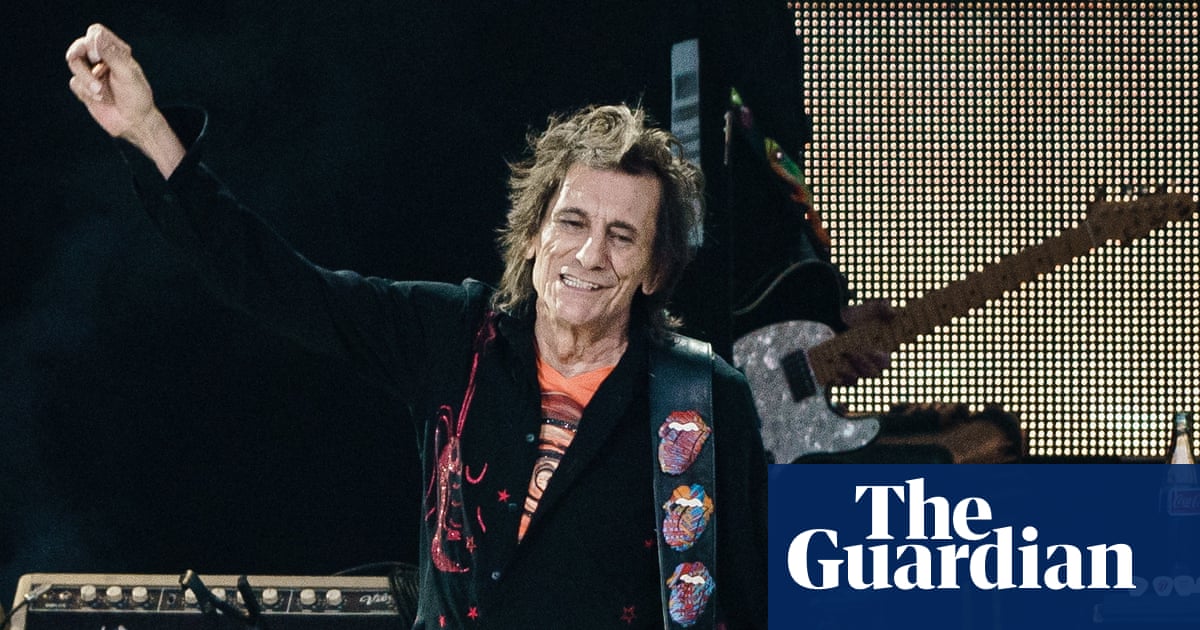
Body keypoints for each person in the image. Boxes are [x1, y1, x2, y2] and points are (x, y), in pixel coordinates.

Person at [65, 23, 767, 629]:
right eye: (573, 223)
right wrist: (147, 129)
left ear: (654, 269)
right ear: (533, 237)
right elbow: (278, 286)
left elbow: (768, 598)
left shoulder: (703, 399)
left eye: (621, 235)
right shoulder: (455, 336)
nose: (589, 255)